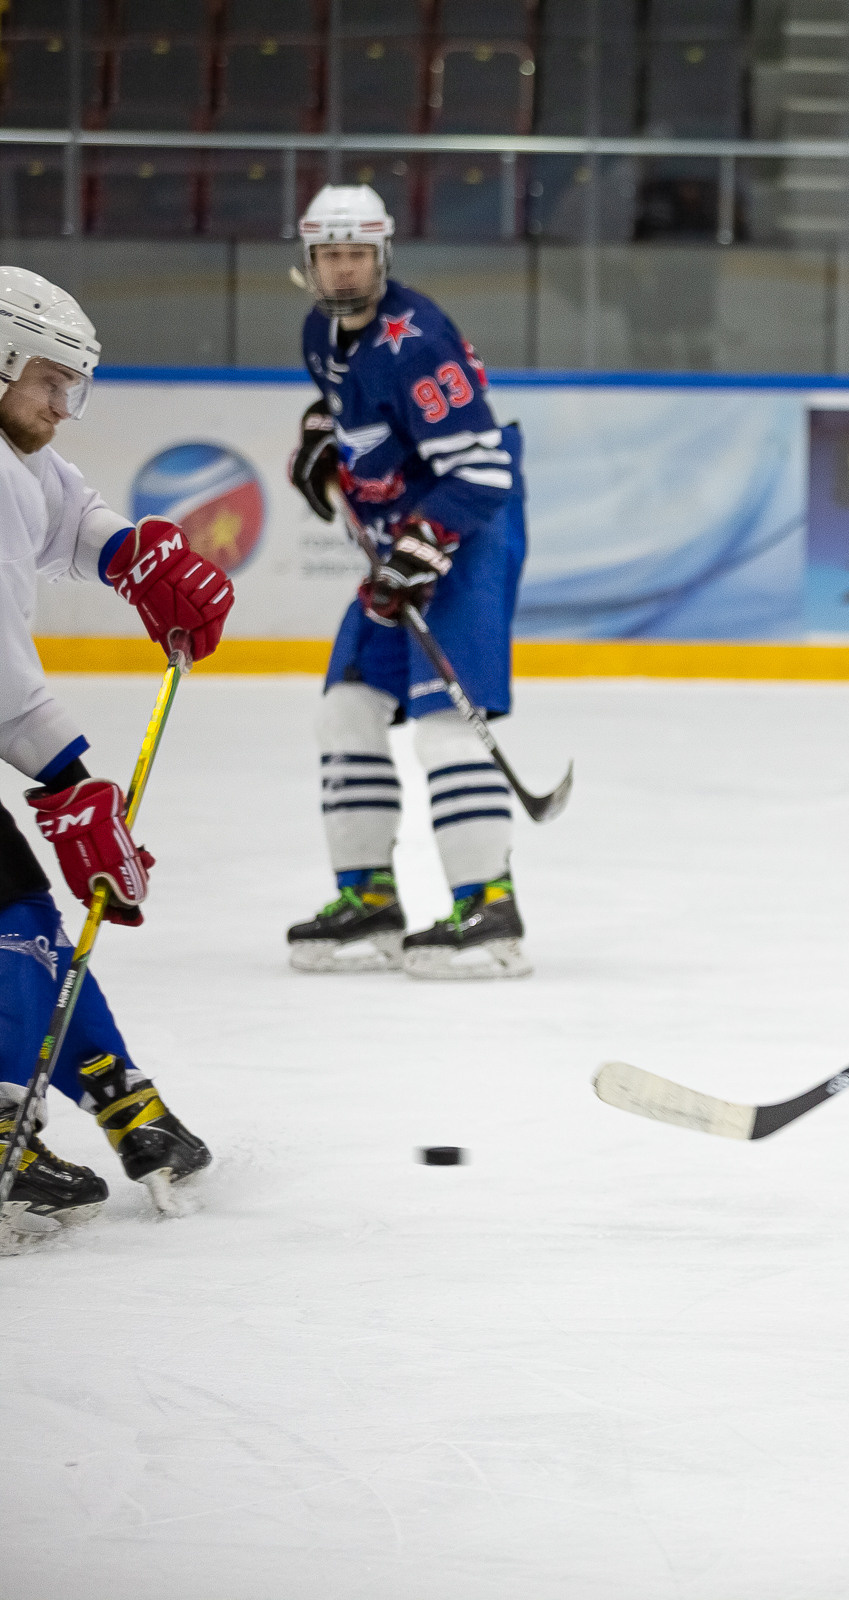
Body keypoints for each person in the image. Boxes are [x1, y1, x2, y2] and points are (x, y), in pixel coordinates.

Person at [0, 265, 231, 1239]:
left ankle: (129, 1106)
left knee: (22, 908)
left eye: (73, 385)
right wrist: (68, 781)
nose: (65, 406)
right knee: (7, 912)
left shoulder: (15, 459)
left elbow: (61, 508)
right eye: (50, 381)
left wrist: (129, 553)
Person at [282, 184, 533, 980]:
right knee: (344, 712)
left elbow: (483, 468)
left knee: (444, 728)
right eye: (331, 255)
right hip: (399, 546)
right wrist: (322, 438)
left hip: (465, 539)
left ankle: (489, 910)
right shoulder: (319, 334)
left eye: (358, 254)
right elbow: (350, 413)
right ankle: (369, 899)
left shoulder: (418, 340)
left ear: (383, 256)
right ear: (310, 262)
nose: (345, 270)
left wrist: (423, 546)